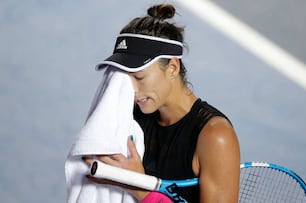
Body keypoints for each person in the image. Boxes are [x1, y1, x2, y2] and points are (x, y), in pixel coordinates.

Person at [85, 4, 240, 203]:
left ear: (173, 67)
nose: (132, 90)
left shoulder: (215, 136)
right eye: (124, 80)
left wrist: (138, 186)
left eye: (139, 77)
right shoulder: (128, 115)